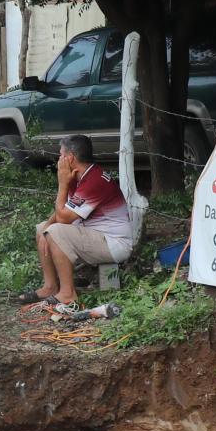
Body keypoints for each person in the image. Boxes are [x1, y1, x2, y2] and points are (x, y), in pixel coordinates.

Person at [21, 134, 136, 313]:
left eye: (61, 155)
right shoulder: (80, 176)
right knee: (42, 228)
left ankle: (67, 294)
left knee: (55, 231)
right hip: (95, 233)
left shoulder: (94, 181)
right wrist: (44, 230)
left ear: (70, 158)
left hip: (114, 243)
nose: (59, 160)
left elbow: (63, 219)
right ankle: (50, 286)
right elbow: (63, 212)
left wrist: (62, 184)